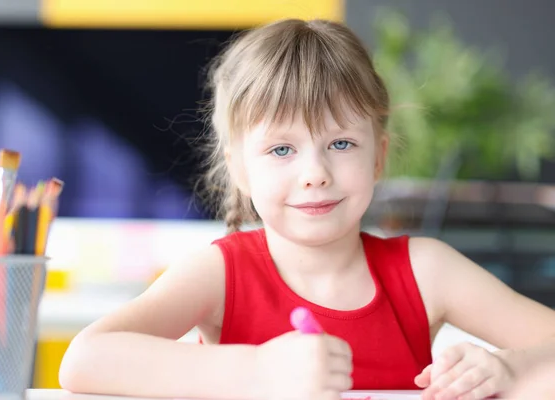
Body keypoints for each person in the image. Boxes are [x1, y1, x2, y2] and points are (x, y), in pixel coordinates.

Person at [58, 18, 555, 400]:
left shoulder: (428, 270)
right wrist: (258, 372)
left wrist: (512, 371)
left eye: (341, 143)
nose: (315, 173)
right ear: (240, 169)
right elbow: (84, 361)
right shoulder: (219, 273)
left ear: (378, 156)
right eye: (281, 150)